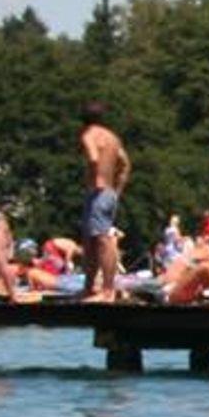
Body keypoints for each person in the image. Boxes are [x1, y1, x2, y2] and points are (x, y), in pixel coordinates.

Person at [78, 102, 131, 301]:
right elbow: (124, 164)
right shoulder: (112, 138)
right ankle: (89, 288)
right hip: (110, 193)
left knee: (102, 240)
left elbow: (93, 158)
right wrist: (117, 190)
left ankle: (107, 290)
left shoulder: (88, 135)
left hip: (97, 192)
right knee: (91, 241)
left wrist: (92, 181)